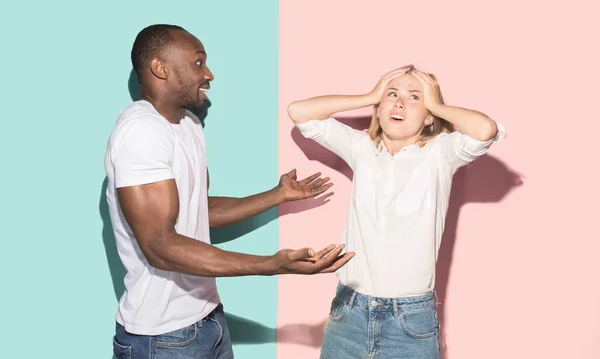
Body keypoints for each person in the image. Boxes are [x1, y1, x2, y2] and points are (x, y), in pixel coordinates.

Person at [104, 24, 354, 359]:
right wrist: (270, 265)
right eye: (197, 63)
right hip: (161, 339)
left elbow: (197, 210)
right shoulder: (140, 133)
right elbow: (160, 246)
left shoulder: (189, 125)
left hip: (208, 319)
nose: (208, 74)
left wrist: (276, 195)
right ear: (160, 68)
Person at [287, 65, 506, 359]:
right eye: (392, 94)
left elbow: (485, 130)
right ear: (378, 109)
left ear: (429, 116)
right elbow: (299, 111)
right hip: (348, 314)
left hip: (410, 321)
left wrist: (437, 104)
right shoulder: (361, 147)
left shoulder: (440, 154)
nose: (400, 102)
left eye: (415, 97)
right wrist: (369, 95)